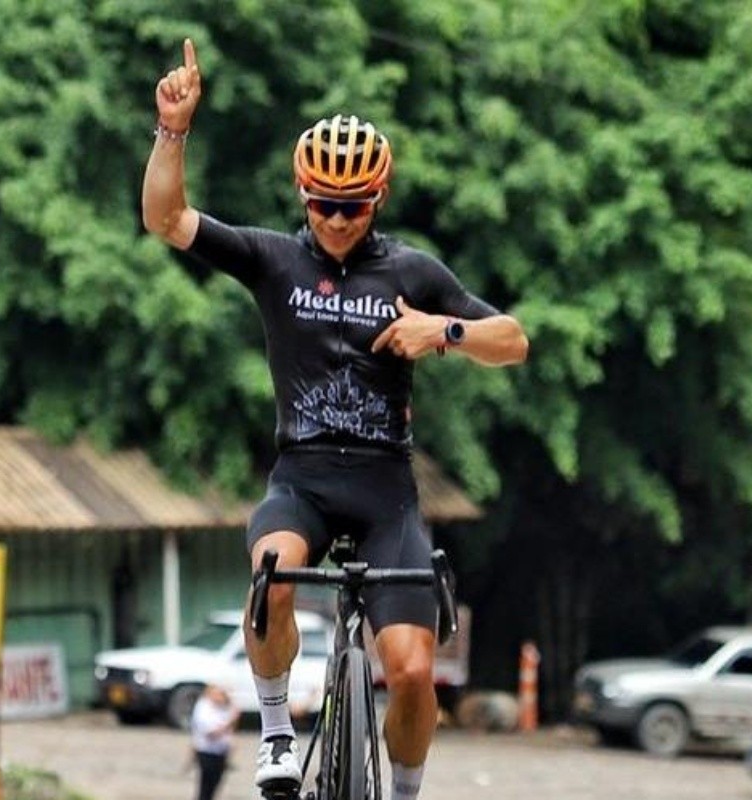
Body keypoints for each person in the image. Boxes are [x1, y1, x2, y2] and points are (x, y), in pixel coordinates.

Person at [143, 38, 529, 800]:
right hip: (304, 480)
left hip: (388, 494)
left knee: (415, 672)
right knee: (272, 572)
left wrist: (440, 331)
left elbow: (512, 341)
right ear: (301, 193)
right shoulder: (272, 261)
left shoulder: (412, 272)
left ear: (377, 199)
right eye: (323, 203)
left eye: (353, 205)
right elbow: (166, 217)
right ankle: (280, 732)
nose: (338, 219)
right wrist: (173, 129)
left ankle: (406, 791)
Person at [190, 684, 240, 800]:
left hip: (221, 752)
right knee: (205, 787)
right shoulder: (204, 708)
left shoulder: (223, 707)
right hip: (206, 751)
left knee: (215, 786)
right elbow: (210, 733)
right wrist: (230, 722)